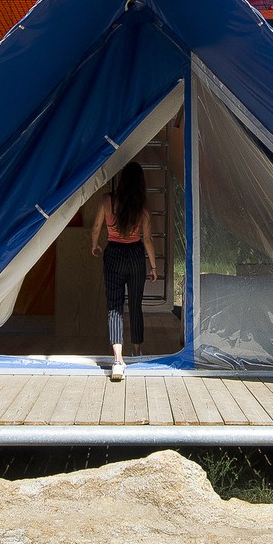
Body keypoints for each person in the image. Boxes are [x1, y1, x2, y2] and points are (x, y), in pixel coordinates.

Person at [90, 161, 159, 380]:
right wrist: (153, 266)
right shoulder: (143, 209)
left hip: (113, 255)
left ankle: (118, 360)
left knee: (114, 307)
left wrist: (95, 244)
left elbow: (96, 227)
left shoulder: (106, 201)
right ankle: (137, 351)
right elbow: (147, 240)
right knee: (136, 305)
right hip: (136, 256)